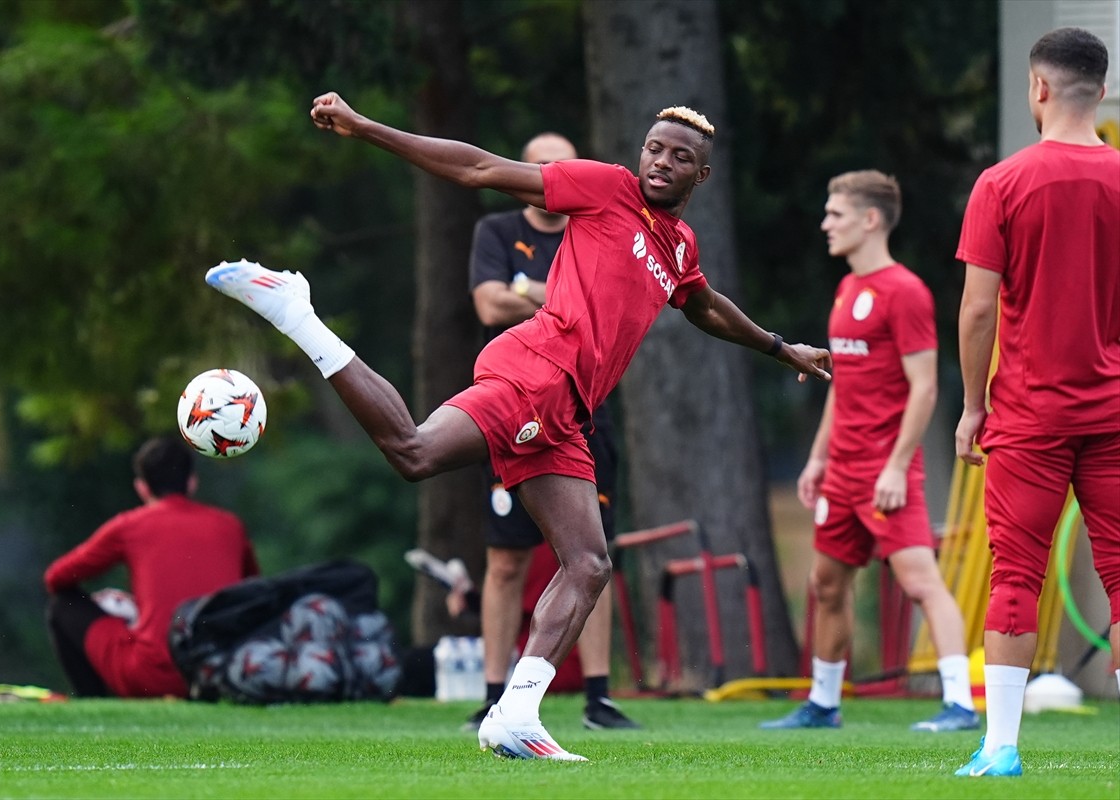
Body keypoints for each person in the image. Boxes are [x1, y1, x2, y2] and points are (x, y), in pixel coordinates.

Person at [206, 92, 832, 760]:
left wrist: (779, 347)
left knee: (588, 563)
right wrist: (365, 128)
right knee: (415, 453)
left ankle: (516, 716)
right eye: (654, 148)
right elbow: (479, 168)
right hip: (536, 372)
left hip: (568, 413)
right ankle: (297, 313)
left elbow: (703, 306)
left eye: (680, 157)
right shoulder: (606, 187)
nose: (661, 162)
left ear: (700, 175)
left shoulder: (679, 246)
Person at [952, 27, 1119, 777]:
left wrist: (971, 406)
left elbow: (977, 311)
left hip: (1028, 416)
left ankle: (1001, 748)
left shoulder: (1002, 183)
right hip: (1114, 413)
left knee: (1016, 574)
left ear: (1039, 88)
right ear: (1102, 91)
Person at [760, 171, 979, 733]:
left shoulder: (905, 292)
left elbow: (924, 388)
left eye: (836, 214)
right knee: (827, 584)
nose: (825, 224)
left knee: (920, 582)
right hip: (842, 471)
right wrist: (818, 458)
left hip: (887, 471)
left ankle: (960, 705)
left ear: (871, 219)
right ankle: (823, 704)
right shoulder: (846, 291)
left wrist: (898, 467)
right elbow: (845, 386)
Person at [462, 131, 637, 732]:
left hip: (586, 411)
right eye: (538, 167)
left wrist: (527, 291)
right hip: (512, 403)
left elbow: (612, 307)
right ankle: (493, 693)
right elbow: (489, 305)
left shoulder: (598, 223)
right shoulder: (496, 230)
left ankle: (598, 696)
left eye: (559, 166)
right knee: (505, 557)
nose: (548, 176)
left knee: (592, 554)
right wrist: (561, 302)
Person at [44, 436, 259, 698]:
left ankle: (93, 701)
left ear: (142, 488)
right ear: (192, 481)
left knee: (62, 605)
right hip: (219, 673)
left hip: (155, 677)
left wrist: (132, 608)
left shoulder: (129, 526)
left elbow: (56, 578)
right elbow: (252, 589)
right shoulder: (231, 526)